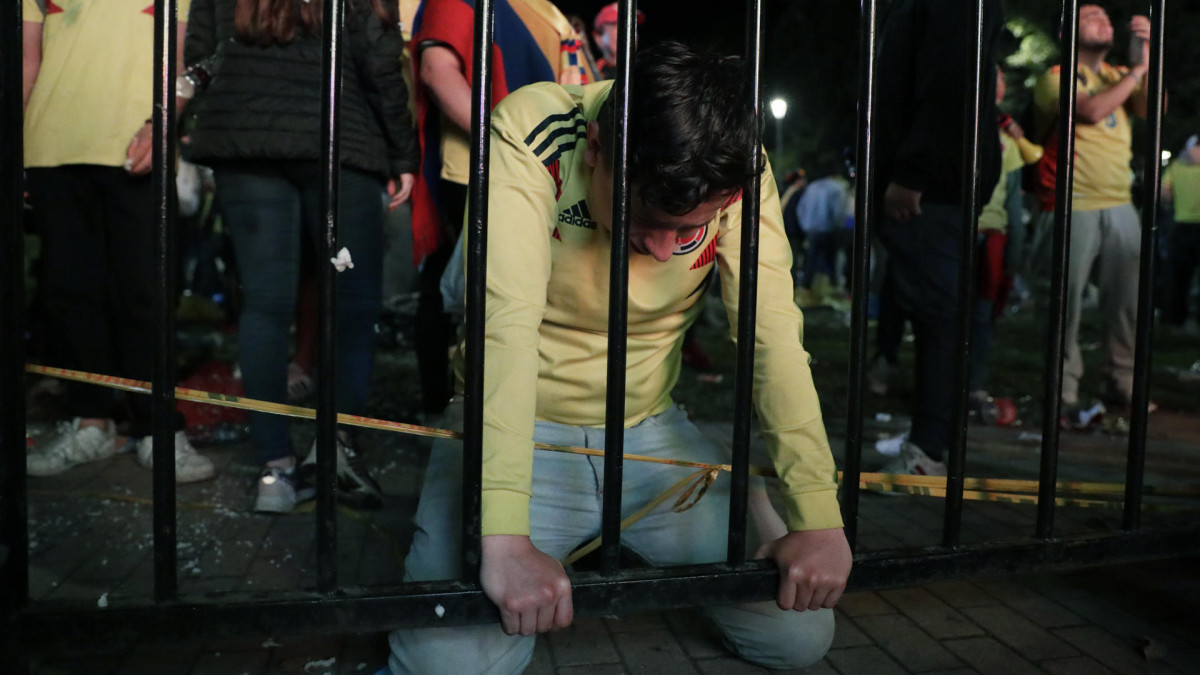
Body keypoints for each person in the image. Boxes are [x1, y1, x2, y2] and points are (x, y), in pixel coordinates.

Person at [384, 41, 851, 674]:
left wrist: (817, 516)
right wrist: (504, 536)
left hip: (648, 434)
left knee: (798, 639)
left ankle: (663, 527)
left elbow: (770, 335)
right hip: (520, 427)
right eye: (647, 220)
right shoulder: (534, 129)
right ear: (599, 148)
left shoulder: (738, 165)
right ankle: (588, 539)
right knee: (446, 667)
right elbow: (506, 330)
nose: (664, 252)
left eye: (689, 231)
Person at [183, 0, 418, 512]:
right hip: (337, 141)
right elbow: (379, 61)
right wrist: (403, 153)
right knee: (351, 302)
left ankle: (276, 470)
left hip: (244, 137)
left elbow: (199, 54)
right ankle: (337, 453)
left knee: (265, 304)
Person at [22, 0, 216, 482]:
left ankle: (159, 429)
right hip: (51, 144)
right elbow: (28, 59)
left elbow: (185, 55)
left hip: (138, 141)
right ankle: (91, 422)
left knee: (146, 293)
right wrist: (17, 147)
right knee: (68, 293)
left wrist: (164, 121)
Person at [408, 0, 595, 420]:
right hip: (481, 166)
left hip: (535, 164)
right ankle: (454, 410)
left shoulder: (543, 9)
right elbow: (437, 72)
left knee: (515, 290)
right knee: (477, 294)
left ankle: (507, 404)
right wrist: (509, 138)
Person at [873, 0, 1005, 476]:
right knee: (933, 310)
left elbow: (951, 80)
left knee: (937, 314)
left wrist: (914, 172)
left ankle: (928, 449)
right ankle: (928, 438)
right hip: (934, 180)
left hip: (932, 186)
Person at [1032, 4, 1153, 423]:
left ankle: (1123, 385)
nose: (1103, 20)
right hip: (1073, 202)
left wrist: (1145, 59)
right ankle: (1061, 394)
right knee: (1065, 307)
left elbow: (1152, 109)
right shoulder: (1055, 77)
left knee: (1127, 305)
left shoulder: (1121, 74)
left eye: (1105, 16)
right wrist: (1136, 74)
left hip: (1121, 203)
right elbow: (1090, 111)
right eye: (1090, 16)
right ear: (1067, 32)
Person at [1161, 135, 1200, 333]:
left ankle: (1175, 320)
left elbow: (1164, 193)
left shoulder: (1177, 165)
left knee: (1178, 277)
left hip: (1181, 224)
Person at [590, 1, 645, 80]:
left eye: (632, 26)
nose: (629, 33)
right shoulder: (588, 76)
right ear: (598, 38)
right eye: (618, 26)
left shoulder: (647, 72)